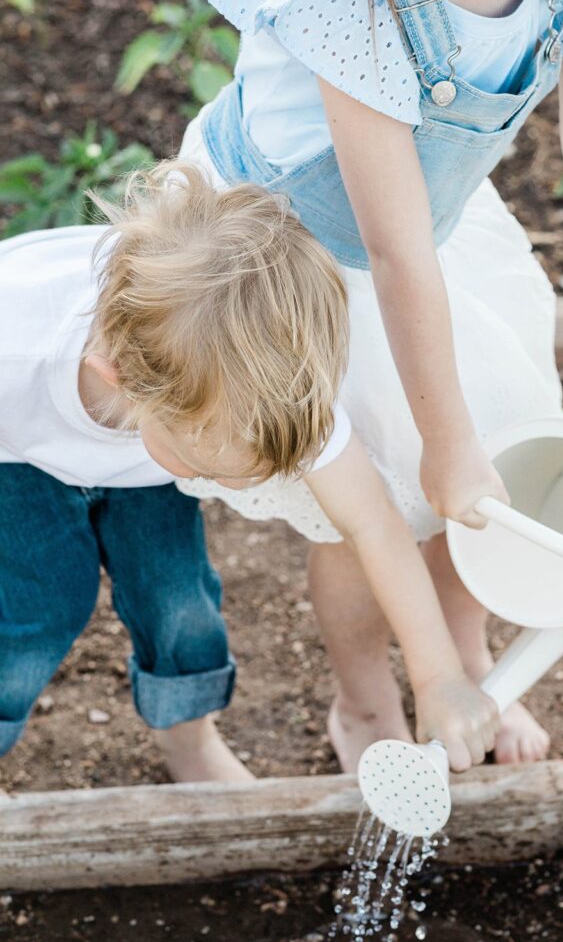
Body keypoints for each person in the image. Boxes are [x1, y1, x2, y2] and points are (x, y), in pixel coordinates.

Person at [180, 0, 563, 768]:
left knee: (488, 472)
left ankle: (468, 657)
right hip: (291, 257)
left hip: (432, 227)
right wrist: (441, 446)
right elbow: (390, 249)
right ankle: (364, 698)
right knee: (370, 503)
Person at [0, 161, 498, 782]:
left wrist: (439, 676)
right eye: (218, 468)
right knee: (32, 613)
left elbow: (372, 521)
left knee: (180, 607)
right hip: (15, 456)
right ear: (123, 379)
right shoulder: (13, 349)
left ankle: (190, 740)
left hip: (146, 465)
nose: (237, 489)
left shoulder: (265, 383)